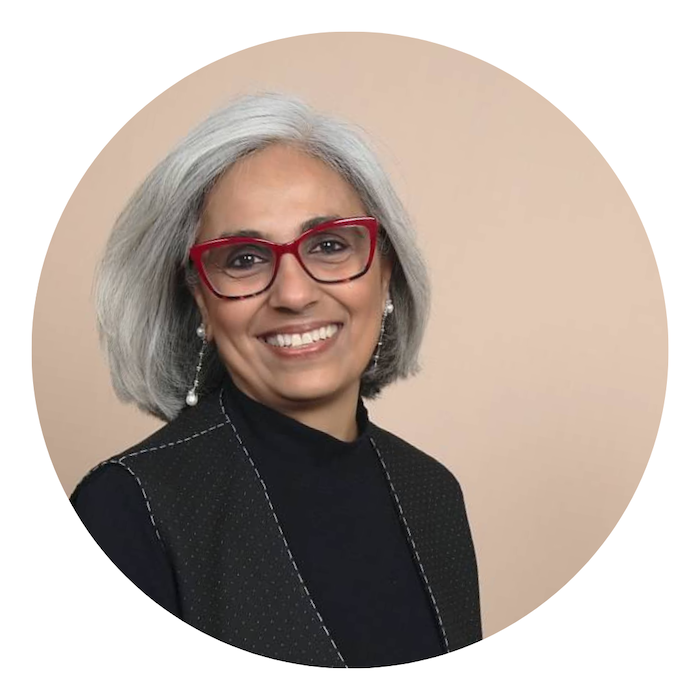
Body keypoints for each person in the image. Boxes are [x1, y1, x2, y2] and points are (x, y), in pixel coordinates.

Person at [71, 93, 482, 668]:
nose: (293, 294)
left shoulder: (433, 493)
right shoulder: (127, 511)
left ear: (385, 274)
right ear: (202, 303)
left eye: (331, 245)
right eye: (243, 258)